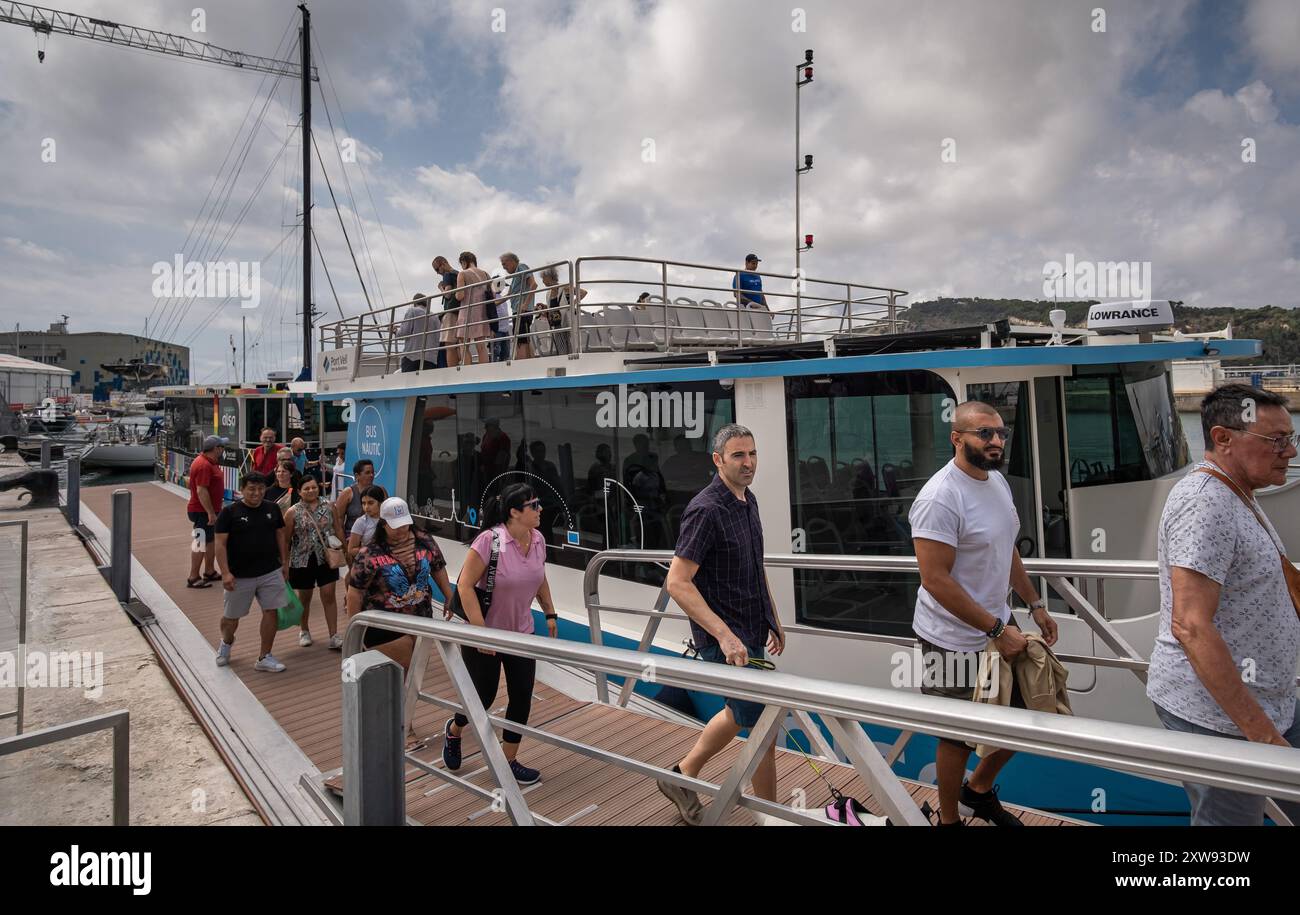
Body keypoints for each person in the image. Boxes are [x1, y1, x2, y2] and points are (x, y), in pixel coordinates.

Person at [1147, 384, 1300, 825]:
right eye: (1276, 440)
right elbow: (1191, 625)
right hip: (1218, 716)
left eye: (1290, 438)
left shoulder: (1238, 492)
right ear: (1223, 438)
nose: (1288, 451)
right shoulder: (1205, 502)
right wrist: (1262, 738)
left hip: (1271, 699)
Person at [908, 400, 1057, 826]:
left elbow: (1005, 547)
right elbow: (935, 580)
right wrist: (996, 628)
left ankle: (977, 791)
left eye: (1000, 433)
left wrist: (1035, 603)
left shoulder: (996, 482)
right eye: (985, 434)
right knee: (956, 735)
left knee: (1029, 711)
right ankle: (949, 820)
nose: (996, 441)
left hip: (997, 620)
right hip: (949, 635)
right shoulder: (940, 497)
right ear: (957, 438)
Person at [656, 424, 786, 824]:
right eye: (738, 456)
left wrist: (773, 618)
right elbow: (677, 582)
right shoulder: (705, 510)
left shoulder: (748, 501)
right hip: (724, 637)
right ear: (718, 460)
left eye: (752, 454)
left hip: (749, 631)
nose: (748, 463)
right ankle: (771, 817)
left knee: (739, 712)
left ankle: (681, 774)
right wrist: (725, 636)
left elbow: (753, 565)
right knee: (764, 725)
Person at [442, 484, 558, 785]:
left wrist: (550, 613)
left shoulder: (538, 539)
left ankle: (509, 760)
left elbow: (539, 577)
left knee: (521, 696)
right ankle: (454, 730)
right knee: (483, 697)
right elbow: (465, 586)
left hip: (522, 633)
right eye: (533, 505)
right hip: (486, 634)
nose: (539, 509)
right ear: (514, 512)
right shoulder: (489, 541)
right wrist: (481, 635)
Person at [345, 497, 453, 673]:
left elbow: (437, 567)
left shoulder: (424, 540)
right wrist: (354, 629)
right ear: (383, 524)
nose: (402, 530)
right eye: (396, 526)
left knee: (414, 671)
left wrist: (449, 596)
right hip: (385, 622)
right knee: (400, 670)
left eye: (405, 524)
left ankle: (400, 700)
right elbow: (355, 592)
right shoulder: (370, 553)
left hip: (420, 617)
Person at [214, 472, 289, 672]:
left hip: (269, 571)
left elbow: (280, 534)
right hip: (239, 575)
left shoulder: (272, 508)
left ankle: (264, 656)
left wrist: (284, 562)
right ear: (243, 489)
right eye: (252, 489)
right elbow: (220, 544)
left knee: (271, 612)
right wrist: (225, 573)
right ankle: (226, 643)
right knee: (231, 618)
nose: (257, 493)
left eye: (261, 488)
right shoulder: (229, 513)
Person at [284, 476, 346, 650]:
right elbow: (286, 540)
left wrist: (346, 550)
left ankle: (333, 635)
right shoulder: (292, 512)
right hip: (302, 559)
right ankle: (304, 630)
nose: (311, 491)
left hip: (326, 557)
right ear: (299, 492)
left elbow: (338, 528)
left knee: (328, 594)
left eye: (313, 487)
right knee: (305, 597)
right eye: (306, 488)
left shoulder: (329, 506)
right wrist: (284, 563)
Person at [186, 435, 227, 588]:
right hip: (202, 511)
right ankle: (193, 576)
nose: (224, 450)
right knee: (200, 541)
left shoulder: (209, 462)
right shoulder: (204, 465)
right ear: (216, 448)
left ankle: (209, 571)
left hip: (209, 510)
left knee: (210, 540)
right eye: (222, 447)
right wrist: (210, 512)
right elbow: (201, 490)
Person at [454, 251, 492, 366]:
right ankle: (483, 371)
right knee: (481, 345)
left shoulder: (462, 274)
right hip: (482, 313)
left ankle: (467, 371)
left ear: (464, 262)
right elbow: (492, 295)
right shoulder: (486, 274)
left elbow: (460, 296)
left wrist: (455, 294)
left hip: (467, 312)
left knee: (463, 344)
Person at [538, 267, 585, 356]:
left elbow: (583, 292)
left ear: (549, 277)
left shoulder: (564, 288)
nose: (543, 281)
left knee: (567, 348)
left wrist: (572, 304)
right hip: (555, 324)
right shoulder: (548, 293)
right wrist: (544, 307)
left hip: (564, 323)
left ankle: (569, 366)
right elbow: (553, 306)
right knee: (561, 349)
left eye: (543, 278)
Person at [500, 252, 537, 360]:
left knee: (521, 340)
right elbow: (509, 295)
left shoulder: (521, 267)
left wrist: (525, 304)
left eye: (504, 264)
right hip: (517, 311)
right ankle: (529, 362)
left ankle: (523, 363)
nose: (504, 267)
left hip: (522, 311)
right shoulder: (515, 276)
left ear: (512, 261)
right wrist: (491, 304)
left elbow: (533, 284)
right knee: (524, 338)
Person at [334, 459, 376, 540]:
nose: (371, 475)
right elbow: (338, 522)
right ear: (357, 476)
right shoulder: (347, 493)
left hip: (374, 538)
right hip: (352, 538)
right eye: (367, 473)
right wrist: (345, 547)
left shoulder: (380, 491)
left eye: (373, 472)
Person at [345, 484, 389, 562]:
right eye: (363, 503)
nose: (366, 507)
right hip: (370, 563)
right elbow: (351, 550)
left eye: (370, 503)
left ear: (381, 502)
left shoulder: (390, 519)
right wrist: (372, 551)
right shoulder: (361, 522)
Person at [398, 293, 439, 373]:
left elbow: (404, 333)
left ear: (414, 303)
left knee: (409, 384)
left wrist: (395, 331)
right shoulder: (434, 317)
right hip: (430, 358)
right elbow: (437, 338)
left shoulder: (412, 311)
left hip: (412, 356)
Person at [432, 256, 459, 369]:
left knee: (449, 345)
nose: (438, 273)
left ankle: (452, 371)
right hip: (461, 311)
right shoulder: (458, 274)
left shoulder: (448, 275)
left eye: (437, 269)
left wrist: (441, 288)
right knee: (460, 345)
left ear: (443, 263)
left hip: (451, 312)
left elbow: (447, 294)